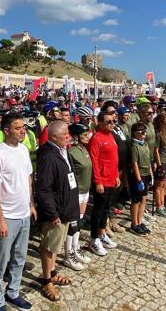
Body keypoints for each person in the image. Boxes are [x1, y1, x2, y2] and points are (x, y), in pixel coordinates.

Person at [0, 113, 36, 311]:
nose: (23, 131)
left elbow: (28, 178)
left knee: (20, 258)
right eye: (18, 128)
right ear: (6, 131)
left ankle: (13, 292)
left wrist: (31, 204)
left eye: (23, 127)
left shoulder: (24, 150)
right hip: (7, 216)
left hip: (24, 213)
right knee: (1, 261)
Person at [35, 120, 78, 302]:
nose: (68, 137)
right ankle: (46, 280)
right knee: (49, 247)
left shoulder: (62, 150)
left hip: (66, 207)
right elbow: (43, 188)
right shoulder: (47, 155)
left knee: (55, 247)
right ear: (53, 137)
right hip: (56, 212)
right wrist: (53, 213)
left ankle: (52, 273)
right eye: (65, 135)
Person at [87, 112, 119, 256]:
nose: (112, 124)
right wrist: (98, 181)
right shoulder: (96, 138)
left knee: (106, 209)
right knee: (98, 211)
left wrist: (116, 175)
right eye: (108, 122)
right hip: (102, 181)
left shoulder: (110, 136)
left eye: (113, 121)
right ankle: (93, 239)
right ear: (100, 123)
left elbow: (114, 159)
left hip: (111, 179)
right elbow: (94, 161)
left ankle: (102, 234)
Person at [67, 122, 94, 264]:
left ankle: (75, 248)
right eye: (84, 135)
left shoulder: (84, 149)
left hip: (85, 191)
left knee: (79, 221)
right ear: (76, 136)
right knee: (73, 224)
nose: (87, 137)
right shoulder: (71, 152)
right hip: (76, 193)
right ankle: (69, 253)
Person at [129, 122, 152, 235]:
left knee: (143, 199)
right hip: (138, 175)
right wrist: (139, 180)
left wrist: (151, 174)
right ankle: (134, 224)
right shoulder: (134, 146)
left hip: (146, 173)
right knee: (136, 200)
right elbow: (134, 164)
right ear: (135, 133)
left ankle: (139, 220)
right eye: (142, 132)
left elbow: (148, 161)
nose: (144, 134)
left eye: (145, 132)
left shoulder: (145, 144)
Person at [153, 112, 166, 215]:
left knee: (164, 185)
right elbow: (156, 150)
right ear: (161, 123)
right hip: (162, 161)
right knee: (159, 186)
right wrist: (159, 164)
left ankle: (162, 204)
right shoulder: (158, 134)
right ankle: (159, 206)